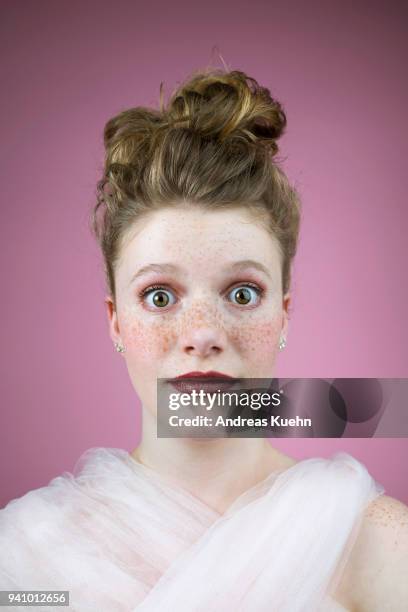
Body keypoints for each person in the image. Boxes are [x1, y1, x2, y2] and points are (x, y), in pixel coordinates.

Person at [1, 68, 407, 611]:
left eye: (241, 294)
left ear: (284, 315)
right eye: (160, 297)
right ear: (116, 321)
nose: (202, 335)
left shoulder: (377, 543)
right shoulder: (25, 556)